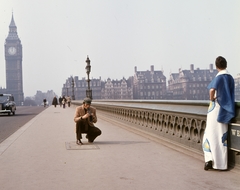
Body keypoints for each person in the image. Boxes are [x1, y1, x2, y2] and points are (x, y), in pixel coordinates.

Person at [202, 56, 235, 171]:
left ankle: (209, 159)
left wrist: (212, 99)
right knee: (222, 137)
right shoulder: (230, 77)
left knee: (209, 134)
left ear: (216, 66)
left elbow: (212, 90)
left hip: (215, 108)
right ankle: (221, 164)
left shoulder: (219, 77)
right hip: (226, 110)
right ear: (226, 64)